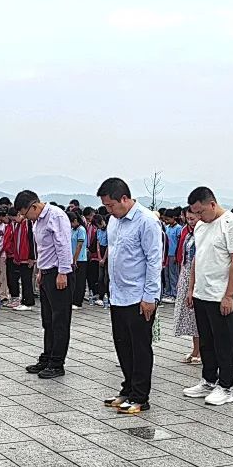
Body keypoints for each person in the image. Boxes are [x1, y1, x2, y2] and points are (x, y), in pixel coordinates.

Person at [97, 178, 163, 415]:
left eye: (111, 205)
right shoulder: (114, 222)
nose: (109, 210)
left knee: (140, 347)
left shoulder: (146, 221)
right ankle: (127, 388)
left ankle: (140, 395)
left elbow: (154, 260)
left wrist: (150, 296)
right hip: (118, 295)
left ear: (124, 199)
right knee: (122, 344)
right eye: (106, 206)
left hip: (139, 296)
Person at [182, 187, 233, 406]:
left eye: (201, 212)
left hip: (222, 295)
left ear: (212, 204)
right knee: (207, 341)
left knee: (224, 342)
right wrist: (191, 289)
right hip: (202, 292)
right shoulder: (200, 226)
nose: (198, 217)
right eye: (194, 213)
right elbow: (197, 259)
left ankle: (226, 386)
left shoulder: (231, 224)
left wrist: (229, 295)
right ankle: (209, 379)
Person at [15, 190, 74, 378]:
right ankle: (47, 357)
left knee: (59, 320)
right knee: (47, 320)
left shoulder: (56, 216)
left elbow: (63, 245)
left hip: (59, 272)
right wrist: (40, 270)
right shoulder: (37, 221)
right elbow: (43, 249)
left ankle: (57, 363)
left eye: (25, 214)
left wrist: (63, 272)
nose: (25, 218)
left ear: (34, 206)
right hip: (47, 272)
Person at [172, 209, 201, 363]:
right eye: (188, 218)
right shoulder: (189, 234)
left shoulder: (202, 235)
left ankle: (199, 350)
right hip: (186, 273)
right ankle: (195, 349)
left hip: (197, 276)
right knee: (190, 316)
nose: (190, 221)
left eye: (192, 218)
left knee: (197, 315)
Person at [4, 208, 36, 310]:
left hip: (27, 258)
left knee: (27, 280)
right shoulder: (18, 225)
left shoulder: (28, 223)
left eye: (14, 218)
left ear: (18, 214)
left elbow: (32, 240)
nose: (13, 221)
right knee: (23, 279)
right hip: (20, 257)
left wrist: (32, 257)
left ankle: (29, 302)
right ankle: (24, 300)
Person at [69, 212, 88, 309]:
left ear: (75, 221)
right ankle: (73, 299)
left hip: (80, 258)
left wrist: (75, 259)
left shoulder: (81, 230)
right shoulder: (72, 230)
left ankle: (78, 301)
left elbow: (79, 245)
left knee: (79, 281)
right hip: (72, 257)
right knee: (73, 280)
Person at [163, 212, 183, 301]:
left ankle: (174, 294)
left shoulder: (178, 228)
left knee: (173, 274)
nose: (166, 221)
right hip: (166, 254)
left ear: (173, 218)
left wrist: (176, 254)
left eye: (168, 219)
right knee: (166, 274)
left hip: (173, 254)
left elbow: (179, 243)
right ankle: (168, 292)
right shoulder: (167, 228)